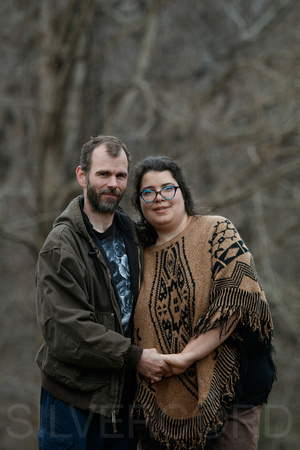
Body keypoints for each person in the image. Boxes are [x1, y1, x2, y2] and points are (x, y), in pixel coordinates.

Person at [131, 156, 276, 450]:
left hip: (232, 393)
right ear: (140, 202)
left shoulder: (217, 230)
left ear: (183, 192)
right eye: (149, 192)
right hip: (161, 406)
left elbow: (236, 299)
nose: (159, 198)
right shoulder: (136, 257)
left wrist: (187, 356)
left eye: (167, 188)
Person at [35, 136, 169, 449]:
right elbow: (66, 332)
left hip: (121, 400)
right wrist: (135, 357)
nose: (113, 183)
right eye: (104, 174)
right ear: (82, 176)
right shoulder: (60, 246)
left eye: (121, 175)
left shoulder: (133, 235)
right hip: (72, 399)